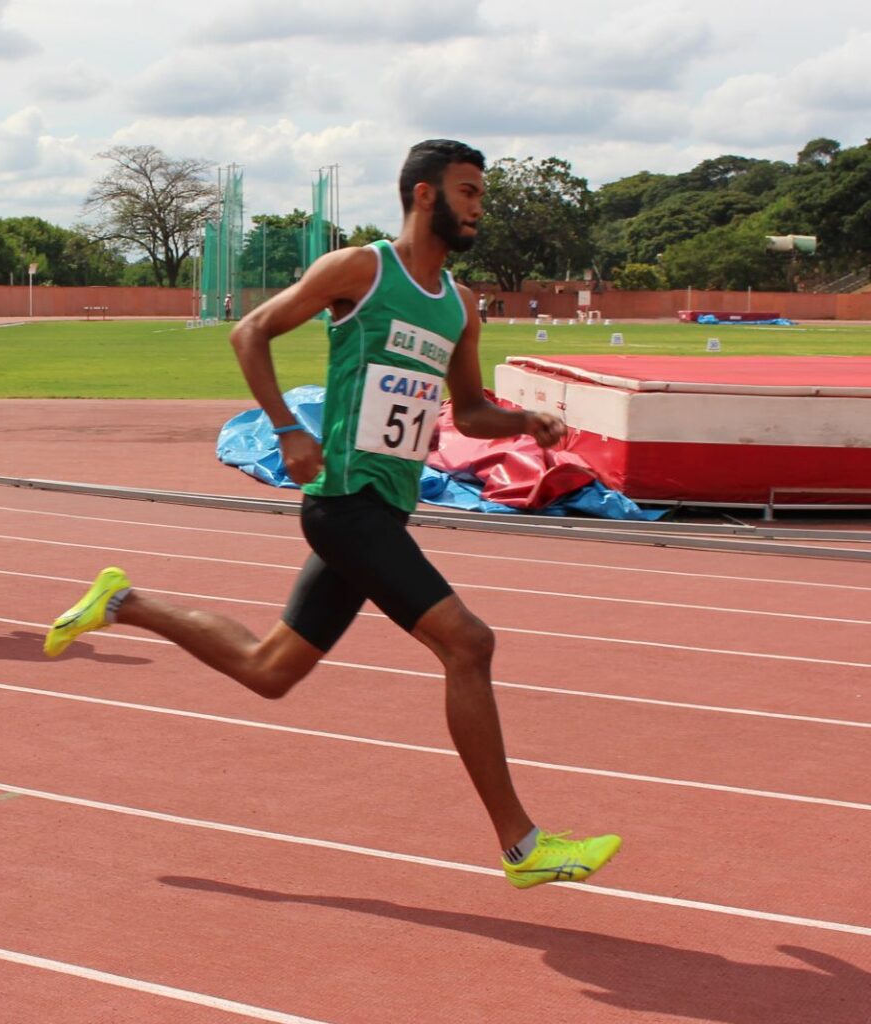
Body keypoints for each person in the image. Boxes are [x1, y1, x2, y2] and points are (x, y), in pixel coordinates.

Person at [44, 140, 621, 890]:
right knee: (469, 644)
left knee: (270, 669)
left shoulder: (460, 303)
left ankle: (123, 601)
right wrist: (288, 429)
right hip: (344, 506)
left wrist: (524, 423)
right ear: (424, 195)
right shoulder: (361, 270)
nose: (481, 206)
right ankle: (522, 847)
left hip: (385, 507)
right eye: (469, 191)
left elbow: (470, 410)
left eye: (483, 193)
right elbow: (249, 332)